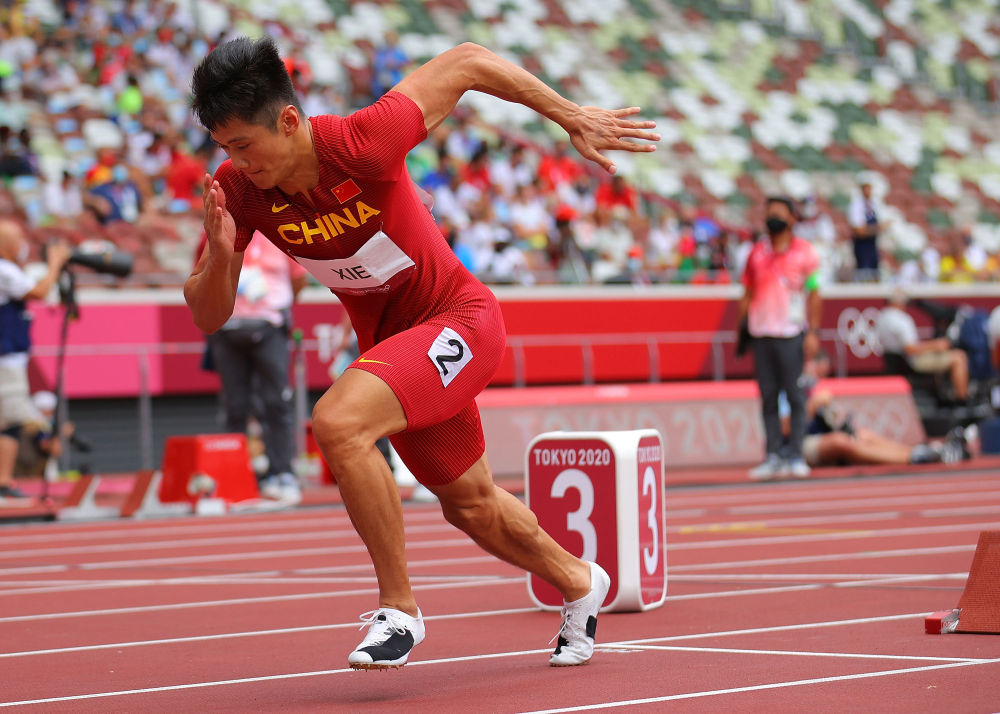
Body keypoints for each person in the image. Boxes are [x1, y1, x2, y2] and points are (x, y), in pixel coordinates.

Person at [185, 36, 657, 669]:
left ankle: (398, 610)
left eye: (244, 145)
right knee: (470, 505)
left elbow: (465, 61)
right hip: (397, 350)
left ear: (289, 120)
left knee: (338, 421)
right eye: (224, 150)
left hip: (460, 321)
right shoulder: (238, 193)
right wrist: (220, 257)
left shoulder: (361, 142)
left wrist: (572, 115)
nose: (238, 163)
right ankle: (580, 580)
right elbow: (209, 315)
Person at [196, 231, 309, 504]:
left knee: (276, 403)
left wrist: (277, 305)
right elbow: (199, 275)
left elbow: (298, 277)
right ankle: (233, 476)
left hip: (268, 325)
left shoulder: (280, 229)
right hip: (227, 328)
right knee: (235, 406)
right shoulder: (216, 228)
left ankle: (282, 473)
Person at [739, 196, 821, 480]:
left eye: (778, 213)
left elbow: (814, 291)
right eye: (769, 212)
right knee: (768, 397)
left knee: (795, 396)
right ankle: (773, 455)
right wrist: (743, 326)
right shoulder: (756, 253)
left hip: (791, 333)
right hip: (762, 333)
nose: (772, 217)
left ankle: (795, 454)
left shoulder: (805, 252)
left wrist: (813, 331)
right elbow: (747, 292)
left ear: (792, 219)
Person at [793, 352, 969, 468]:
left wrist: (832, 416)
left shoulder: (807, 386)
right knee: (841, 441)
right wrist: (813, 405)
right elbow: (786, 428)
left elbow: (828, 419)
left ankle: (921, 453)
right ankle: (918, 457)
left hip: (821, 436)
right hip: (797, 445)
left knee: (863, 434)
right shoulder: (785, 389)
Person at [0, 219, 70, 500]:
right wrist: (55, 264)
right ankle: (3, 481)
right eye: (18, 240)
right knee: (11, 422)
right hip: (6, 359)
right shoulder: (4, 269)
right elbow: (38, 292)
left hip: (9, 358)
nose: (23, 247)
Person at [876, 290, 969, 402]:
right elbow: (910, 349)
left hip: (898, 362)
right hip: (912, 363)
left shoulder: (882, 317)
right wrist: (936, 345)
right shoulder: (901, 319)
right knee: (959, 357)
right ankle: (962, 400)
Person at [847, 175, 882, 282]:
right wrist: (876, 229)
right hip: (862, 248)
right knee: (864, 276)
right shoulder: (856, 205)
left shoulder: (874, 204)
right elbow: (859, 231)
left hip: (872, 246)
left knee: (874, 275)